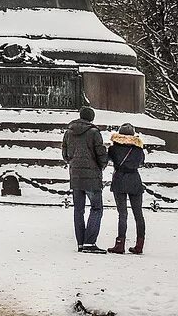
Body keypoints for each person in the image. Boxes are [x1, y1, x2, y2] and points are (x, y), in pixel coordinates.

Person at [62, 106, 109, 253]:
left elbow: (65, 154)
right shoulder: (94, 133)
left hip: (75, 176)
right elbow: (101, 154)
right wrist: (103, 164)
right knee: (96, 208)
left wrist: (74, 163)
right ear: (92, 118)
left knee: (78, 210)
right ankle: (90, 242)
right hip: (92, 177)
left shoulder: (68, 132)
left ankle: (80, 242)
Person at [106, 122, 146, 254]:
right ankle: (139, 244)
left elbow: (107, 160)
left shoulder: (113, 149)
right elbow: (141, 162)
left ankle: (120, 244)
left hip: (119, 180)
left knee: (122, 214)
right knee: (138, 214)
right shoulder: (139, 149)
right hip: (134, 179)